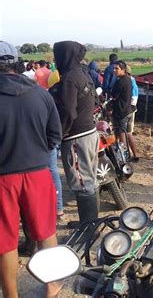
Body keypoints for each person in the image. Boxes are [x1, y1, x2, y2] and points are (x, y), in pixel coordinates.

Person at [0, 41, 62, 298]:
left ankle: (11, 294)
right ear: (17, 63)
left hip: (3, 178)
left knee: (5, 241)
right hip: (38, 174)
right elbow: (55, 135)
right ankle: (52, 288)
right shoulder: (41, 94)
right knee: (46, 233)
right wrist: (35, 151)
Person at [53, 40, 99, 229]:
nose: (55, 60)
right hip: (90, 132)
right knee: (89, 179)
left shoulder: (70, 79)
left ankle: (88, 229)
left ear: (65, 56)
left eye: (57, 56)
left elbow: (68, 112)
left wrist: (58, 134)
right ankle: (88, 223)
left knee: (81, 181)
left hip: (76, 137)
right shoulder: (83, 73)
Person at [110, 60, 133, 147]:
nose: (114, 70)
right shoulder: (128, 79)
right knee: (129, 134)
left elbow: (113, 96)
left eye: (117, 68)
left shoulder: (120, 81)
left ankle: (123, 157)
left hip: (121, 112)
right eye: (114, 68)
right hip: (128, 110)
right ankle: (134, 155)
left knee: (121, 134)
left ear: (123, 69)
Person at [125, 65, 139, 162]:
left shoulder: (130, 82)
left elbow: (133, 99)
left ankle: (129, 154)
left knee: (126, 134)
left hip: (128, 111)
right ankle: (134, 155)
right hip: (130, 110)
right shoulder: (132, 81)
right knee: (128, 134)